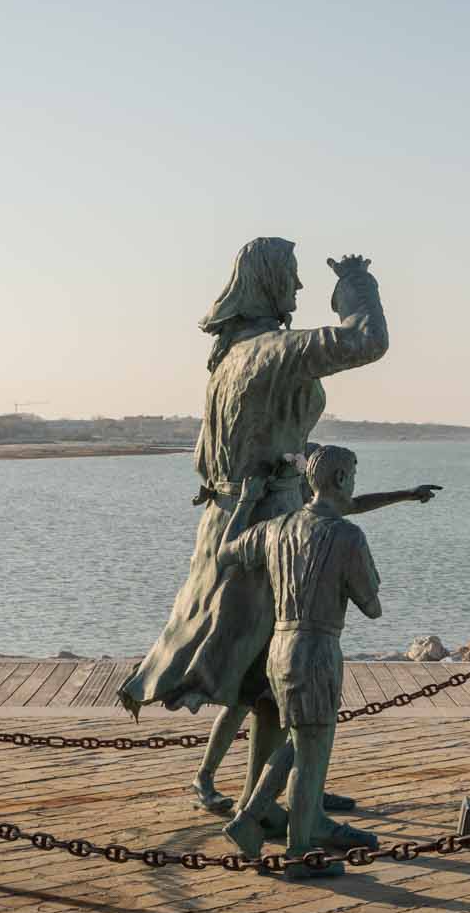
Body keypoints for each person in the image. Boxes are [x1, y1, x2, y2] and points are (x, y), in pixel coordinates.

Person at [116, 239, 439, 822]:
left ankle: (284, 794)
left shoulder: (229, 359)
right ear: (266, 283)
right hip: (265, 527)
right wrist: (355, 287)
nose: (297, 291)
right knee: (267, 680)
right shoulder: (269, 351)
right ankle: (267, 805)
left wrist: (297, 465)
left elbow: (250, 447)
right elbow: (368, 340)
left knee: (261, 676)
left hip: (233, 522)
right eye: (290, 278)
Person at [218, 445, 379, 879]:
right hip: (318, 648)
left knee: (298, 742)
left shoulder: (276, 527)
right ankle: (298, 854)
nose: (355, 484)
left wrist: (247, 503)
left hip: (279, 647)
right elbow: (371, 604)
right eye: (355, 475)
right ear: (342, 478)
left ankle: (251, 818)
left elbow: (227, 550)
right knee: (312, 755)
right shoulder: (347, 535)